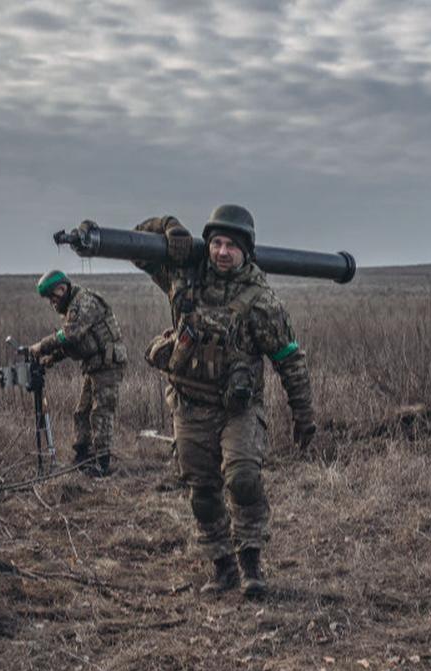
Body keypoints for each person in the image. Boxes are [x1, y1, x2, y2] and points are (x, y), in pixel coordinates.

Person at [127, 204, 315, 598]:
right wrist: (168, 227)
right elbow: (136, 245)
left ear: (246, 250)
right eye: (216, 243)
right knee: (202, 491)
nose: (222, 252)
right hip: (189, 405)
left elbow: (289, 360)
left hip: (238, 410)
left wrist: (303, 414)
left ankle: (251, 565)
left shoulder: (261, 301)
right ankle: (222, 566)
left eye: (232, 245)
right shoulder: (184, 277)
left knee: (243, 478)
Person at [28, 270, 126, 477]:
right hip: (94, 365)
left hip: (108, 365)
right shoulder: (72, 307)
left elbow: (71, 335)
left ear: (62, 289)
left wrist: (42, 346)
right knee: (81, 412)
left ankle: (102, 463)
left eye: (53, 297)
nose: (52, 303)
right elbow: (73, 343)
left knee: (101, 413)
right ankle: (83, 455)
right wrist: (51, 359)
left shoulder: (84, 303)